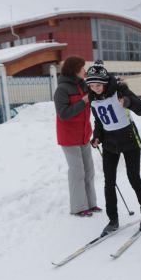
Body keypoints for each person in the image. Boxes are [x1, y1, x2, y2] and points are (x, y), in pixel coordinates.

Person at [86, 61, 141, 234]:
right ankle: (113, 220)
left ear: (105, 82)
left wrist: (128, 102)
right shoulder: (92, 98)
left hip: (129, 139)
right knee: (109, 182)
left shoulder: (120, 91)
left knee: (133, 177)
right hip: (109, 144)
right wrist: (97, 136)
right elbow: (99, 120)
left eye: (98, 85)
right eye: (92, 85)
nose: (95, 88)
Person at [54, 55, 100, 217]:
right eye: (82, 68)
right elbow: (63, 114)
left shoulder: (83, 85)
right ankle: (78, 207)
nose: (85, 70)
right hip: (69, 137)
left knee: (89, 170)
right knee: (77, 172)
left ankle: (91, 203)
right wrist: (83, 102)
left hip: (83, 135)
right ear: (74, 70)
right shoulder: (62, 90)